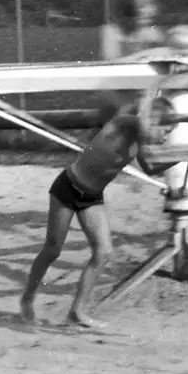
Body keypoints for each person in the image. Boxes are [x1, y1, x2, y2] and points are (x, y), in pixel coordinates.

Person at [20, 103, 142, 329]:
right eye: (164, 128)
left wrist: (183, 156)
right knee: (52, 250)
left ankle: (77, 311)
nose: (165, 134)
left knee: (104, 251)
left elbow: (152, 167)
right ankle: (27, 300)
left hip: (91, 197)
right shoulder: (117, 125)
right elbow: (139, 114)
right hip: (67, 188)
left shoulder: (139, 142)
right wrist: (186, 117)